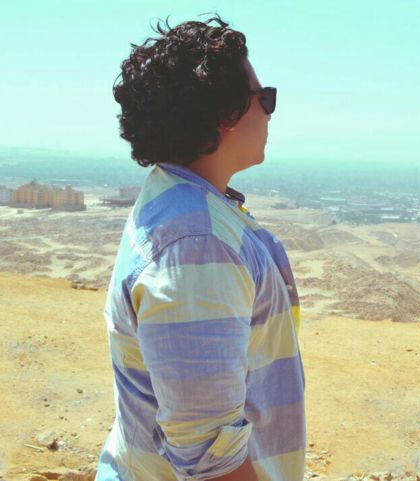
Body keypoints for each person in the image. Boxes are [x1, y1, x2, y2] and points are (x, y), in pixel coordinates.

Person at [96, 15, 306, 481]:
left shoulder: (179, 200)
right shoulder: (198, 244)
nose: (270, 113)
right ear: (226, 115)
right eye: (264, 98)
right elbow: (209, 459)